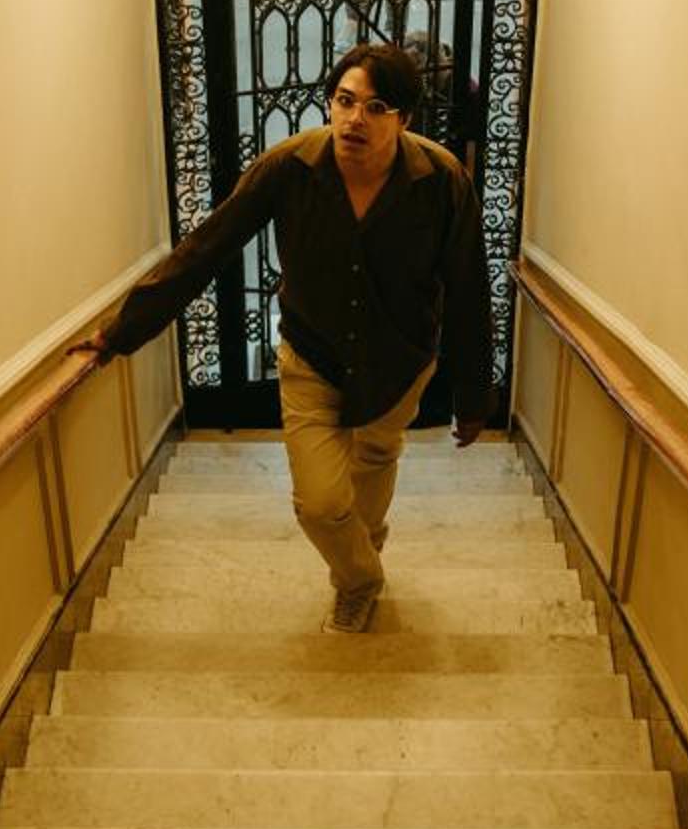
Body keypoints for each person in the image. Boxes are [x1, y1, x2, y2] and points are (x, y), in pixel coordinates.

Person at [78, 42, 492, 632]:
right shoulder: (290, 167)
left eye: (376, 107)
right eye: (344, 101)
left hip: (398, 360)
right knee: (321, 504)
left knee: (375, 463)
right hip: (312, 357)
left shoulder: (441, 180)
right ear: (330, 103)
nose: (355, 119)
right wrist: (121, 332)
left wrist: (472, 398)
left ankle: (357, 567)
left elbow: (469, 288)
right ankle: (362, 578)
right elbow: (206, 248)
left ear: (404, 119)